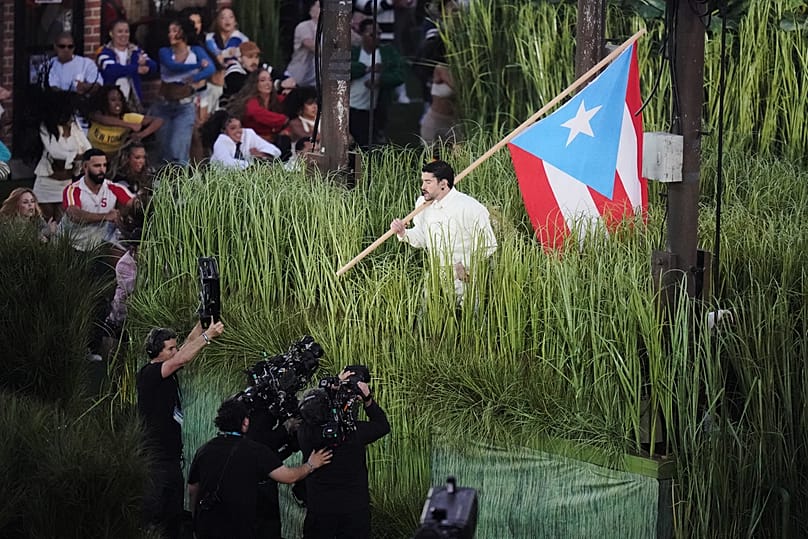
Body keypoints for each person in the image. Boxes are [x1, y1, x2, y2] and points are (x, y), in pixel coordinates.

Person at [188, 398, 333, 539]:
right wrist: (311, 464)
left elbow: (193, 489)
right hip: (238, 528)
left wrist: (195, 519)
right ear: (245, 422)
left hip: (206, 525)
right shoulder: (255, 451)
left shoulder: (204, 450)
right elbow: (289, 476)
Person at [137, 320, 225, 539]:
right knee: (156, 516)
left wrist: (201, 323)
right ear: (156, 352)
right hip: (156, 460)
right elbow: (183, 357)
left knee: (173, 517)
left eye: (174, 348)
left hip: (172, 459)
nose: (175, 352)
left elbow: (184, 350)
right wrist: (208, 336)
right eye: (170, 349)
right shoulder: (150, 373)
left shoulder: (168, 368)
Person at [297, 370, 390, 539]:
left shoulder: (305, 433)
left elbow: (313, 410)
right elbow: (382, 426)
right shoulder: (354, 432)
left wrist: (330, 389)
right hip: (354, 511)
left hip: (320, 509)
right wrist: (367, 399)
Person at [389, 160, 497, 302]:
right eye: (423, 181)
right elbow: (422, 239)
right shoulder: (422, 204)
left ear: (443, 184)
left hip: (464, 277)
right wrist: (403, 233)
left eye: (428, 182)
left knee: (469, 319)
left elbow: (489, 245)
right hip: (434, 275)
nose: (423, 187)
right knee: (426, 316)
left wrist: (464, 265)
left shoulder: (470, 207)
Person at [153, 19, 215, 165]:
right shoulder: (165, 51)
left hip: (185, 106)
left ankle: (181, 183)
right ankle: (163, 183)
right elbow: (172, 66)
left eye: (175, 31)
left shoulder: (196, 51)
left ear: (184, 33)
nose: (170, 34)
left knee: (178, 149)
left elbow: (210, 68)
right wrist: (198, 65)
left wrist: (194, 78)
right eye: (169, 31)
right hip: (163, 106)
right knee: (164, 150)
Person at [33, 91, 92, 222]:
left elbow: (88, 149)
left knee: (62, 223)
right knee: (45, 222)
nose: (72, 116)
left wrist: (75, 156)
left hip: (66, 183)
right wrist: (77, 156)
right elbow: (55, 152)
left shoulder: (75, 127)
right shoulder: (46, 128)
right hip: (46, 184)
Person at [60, 148, 134, 253]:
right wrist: (105, 216)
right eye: (97, 166)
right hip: (72, 245)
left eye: (104, 165)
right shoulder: (73, 190)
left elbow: (136, 205)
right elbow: (74, 214)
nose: (102, 170)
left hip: (99, 246)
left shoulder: (114, 188)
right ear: (85, 167)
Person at [349, 19, 406, 149]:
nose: (377, 38)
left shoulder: (387, 52)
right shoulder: (353, 52)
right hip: (351, 107)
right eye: (372, 34)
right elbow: (346, 69)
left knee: (370, 145)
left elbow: (400, 75)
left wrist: (380, 80)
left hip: (375, 109)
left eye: (379, 34)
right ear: (361, 34)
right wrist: (367, 69)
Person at [230, 68, 292, 158]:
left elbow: (291, 116)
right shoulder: (250, 101)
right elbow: (257, 113)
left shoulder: (277, 100)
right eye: (263, 80)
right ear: (255, 84)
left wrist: (286, 130)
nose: (268, 83)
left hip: (274, 141)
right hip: (254, 143)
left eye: (270, 80)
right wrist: (283, 119)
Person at [97, 19, 157, 111]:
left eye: (126, 31)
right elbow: (111, 70)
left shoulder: (136, 51)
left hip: (133, 103)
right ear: (111, 34)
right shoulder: (104, 52)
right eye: (120, 32)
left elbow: (154, 67)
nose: (124, 35)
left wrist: (145, 63)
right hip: (109, 103)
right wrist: (136, 69)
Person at [88, 85, 163, 157]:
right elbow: (103, 120)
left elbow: (158, 121)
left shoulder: (127, 117)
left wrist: (141, 134)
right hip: (92, 158)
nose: (118, 104)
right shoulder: (96, 115)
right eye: (113, 100)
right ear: (104, 102)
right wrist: (129, 125)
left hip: (116, 159)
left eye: (120, 100)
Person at [210, 114, 281, 169]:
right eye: (233, 128)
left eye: (240, 127)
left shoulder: (248, 134)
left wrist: (263, 154)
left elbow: (276, 151)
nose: (239, 131)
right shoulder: (221, 141)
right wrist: (253, 166)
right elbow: (226, 163)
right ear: (224, 131)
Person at [286, 0, 320, 89]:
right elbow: (309, 44)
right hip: (297, 78)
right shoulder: (304, 26)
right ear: (311, 9)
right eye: (319, 6)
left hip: (315, 80)